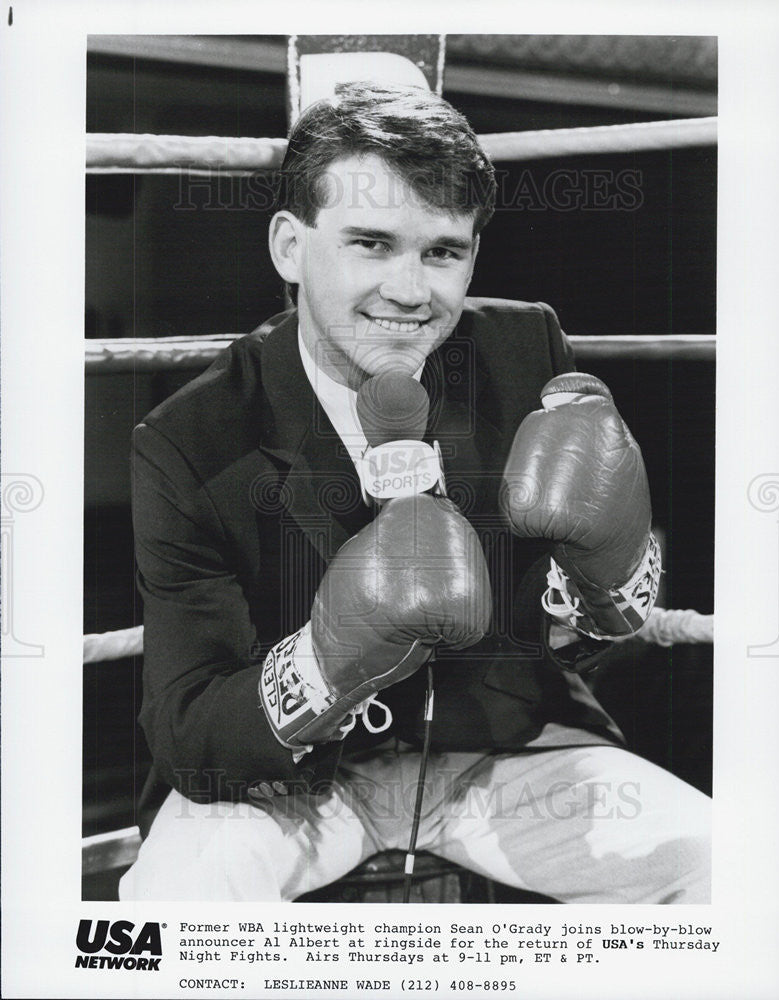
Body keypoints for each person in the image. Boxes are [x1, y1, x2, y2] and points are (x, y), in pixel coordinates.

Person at [119, 82, 710, 903]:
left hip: (498, 757)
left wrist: (605, 583)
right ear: (290, 246)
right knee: (174, 903)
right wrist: (326, 664)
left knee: (719, 863)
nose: (410, 291)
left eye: (441, 252)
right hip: (296, 789)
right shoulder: (193, 440)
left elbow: (589, 613)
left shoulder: (520, 347)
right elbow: (188, 731)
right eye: (370, 243)